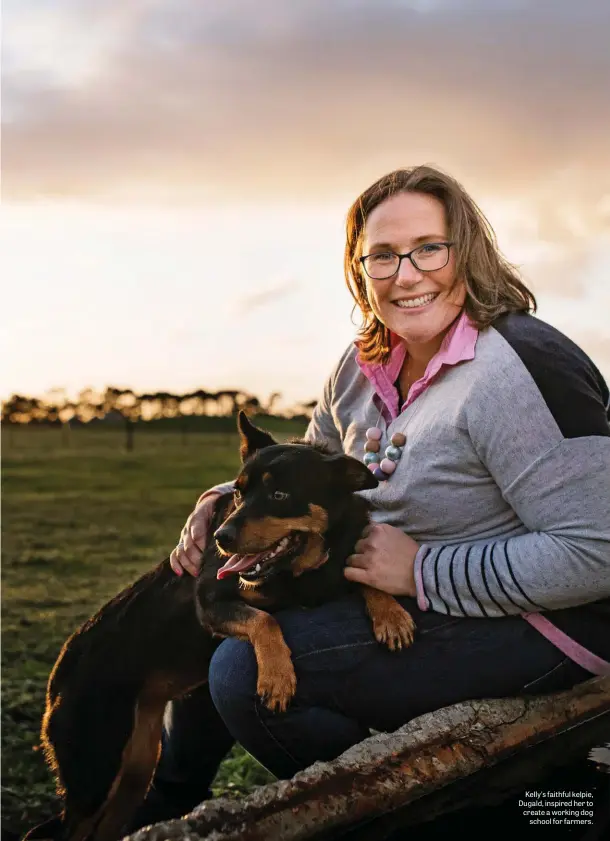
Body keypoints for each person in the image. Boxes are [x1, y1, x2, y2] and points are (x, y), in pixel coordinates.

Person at [130, 165, 610, 829]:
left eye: (428, 249)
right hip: (406, 596)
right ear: (359, 269)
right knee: (229, 619)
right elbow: (308, 465)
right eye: (382, 255)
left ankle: (461, 814)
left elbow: (597, 552)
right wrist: (225, 498)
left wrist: (419, 569)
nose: (406, 274)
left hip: (550, 624)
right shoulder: (361, 363)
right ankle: (163, 802)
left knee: (242, 674)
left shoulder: (520, 369)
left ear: (467, 249)